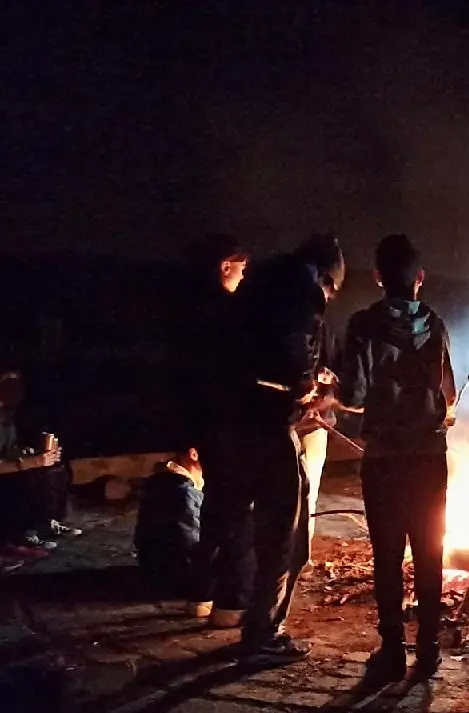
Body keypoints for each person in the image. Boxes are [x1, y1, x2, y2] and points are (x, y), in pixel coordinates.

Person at [214, 234, 346, 661]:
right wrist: (306, 384)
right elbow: (292, 354)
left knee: (245, 522)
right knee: (285, 534)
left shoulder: (255, 288)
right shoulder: (300, 291)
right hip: (268, 426)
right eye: (331, 290)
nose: (327, 300)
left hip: (232, 423)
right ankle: (262, 635)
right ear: (326, 277)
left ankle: (238, 609)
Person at [340, 235, 456, 681]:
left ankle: (392, 650)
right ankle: (428, 650)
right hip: (428, 456)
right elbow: (447, 392)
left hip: (385, 458)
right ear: (419, 278)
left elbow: (353, 395)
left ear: (378, 277)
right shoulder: (436, 324)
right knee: (430, 551)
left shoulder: (363, 325)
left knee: (387, 555)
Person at [181, 235, 253, 621]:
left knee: (213, 507)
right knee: (237, 510)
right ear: (226, 266)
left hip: (205, 422)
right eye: (242, 267)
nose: (244, 274)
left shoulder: (190, 309)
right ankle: (232, 601)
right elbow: (241, 371)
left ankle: (200, 594)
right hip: (232, 422)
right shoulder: (230, 312)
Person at [0, 368, 74, 568]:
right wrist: (29, 462)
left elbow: (7, 451)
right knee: (18, 483)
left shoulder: (4, 415)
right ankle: (0, 546)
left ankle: (30, 531)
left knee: (52, 470)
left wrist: (32, 454)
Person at [135, 448, 204, 588]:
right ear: (193, 454)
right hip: (179, 578)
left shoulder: (157, 487)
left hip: (152, 572)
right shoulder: (184, 493)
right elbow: (188, 543)